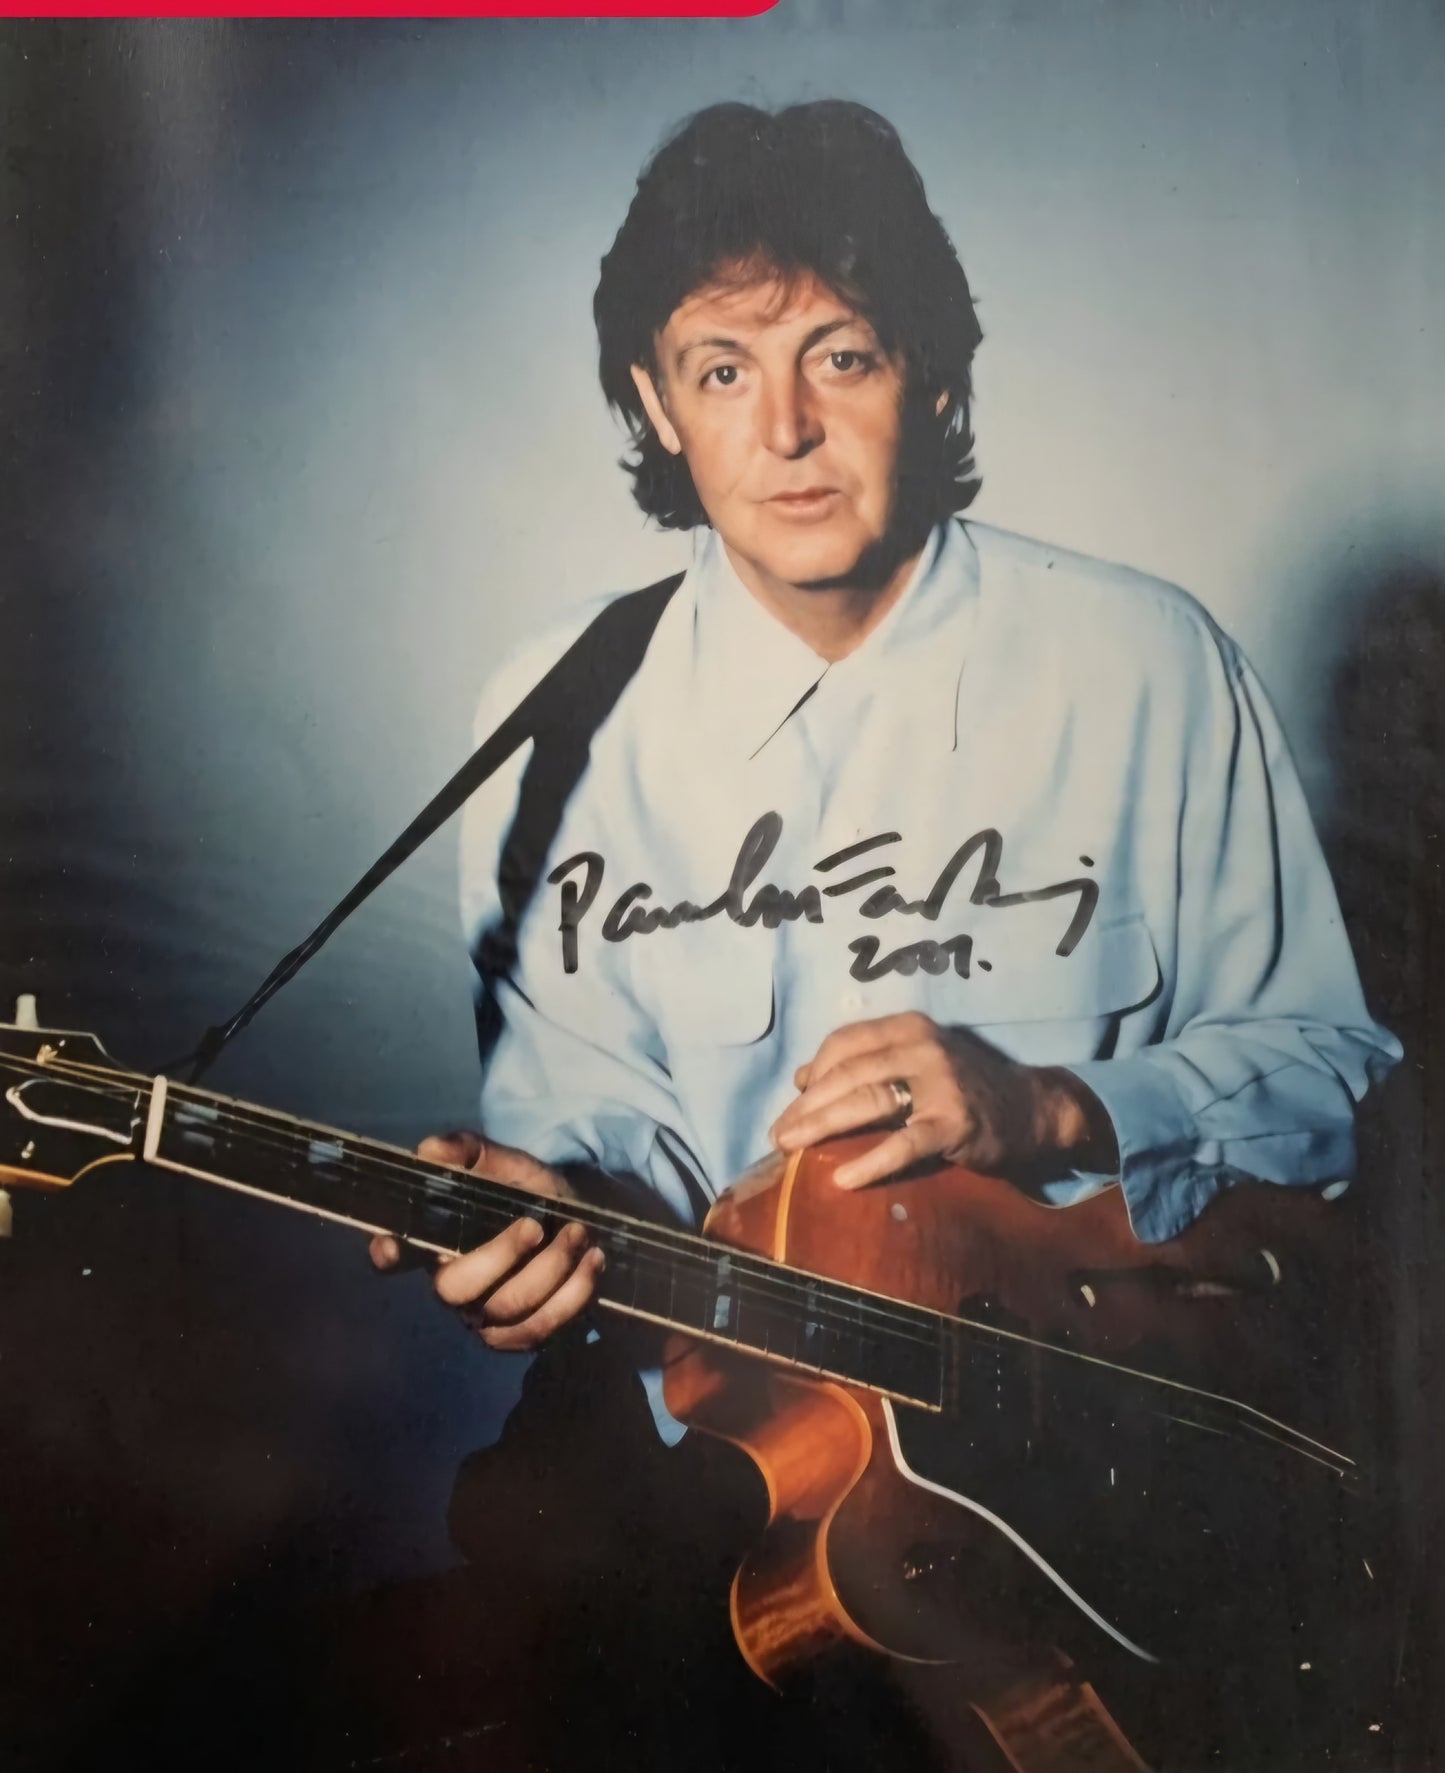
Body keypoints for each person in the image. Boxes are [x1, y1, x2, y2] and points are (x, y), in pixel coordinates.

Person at [369, 100, 1400, 1768]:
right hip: (711, 1462)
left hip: (1099, 1470)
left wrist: (1048, 1107)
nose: (781, 429)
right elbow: (583, 1126)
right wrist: (541, 1215)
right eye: (718, 369)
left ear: (930, 364)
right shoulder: (548, 710)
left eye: (837, 356)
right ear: (651, 399)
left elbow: (1325, 1085)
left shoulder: (1146, 662)